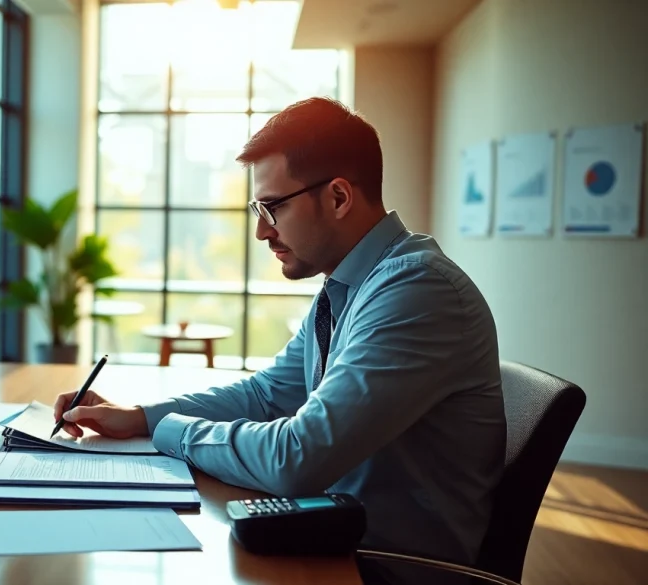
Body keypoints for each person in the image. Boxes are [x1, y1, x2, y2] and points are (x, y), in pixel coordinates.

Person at [53, 97, 505, 569]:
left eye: (271, 208)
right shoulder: (350, 286)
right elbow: (268, 395)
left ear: (338, 197)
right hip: (331, 542)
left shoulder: (417, 291)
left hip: (385, 569)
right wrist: (140, 417)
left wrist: (170, 430)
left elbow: (297, 458)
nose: (261, 233)